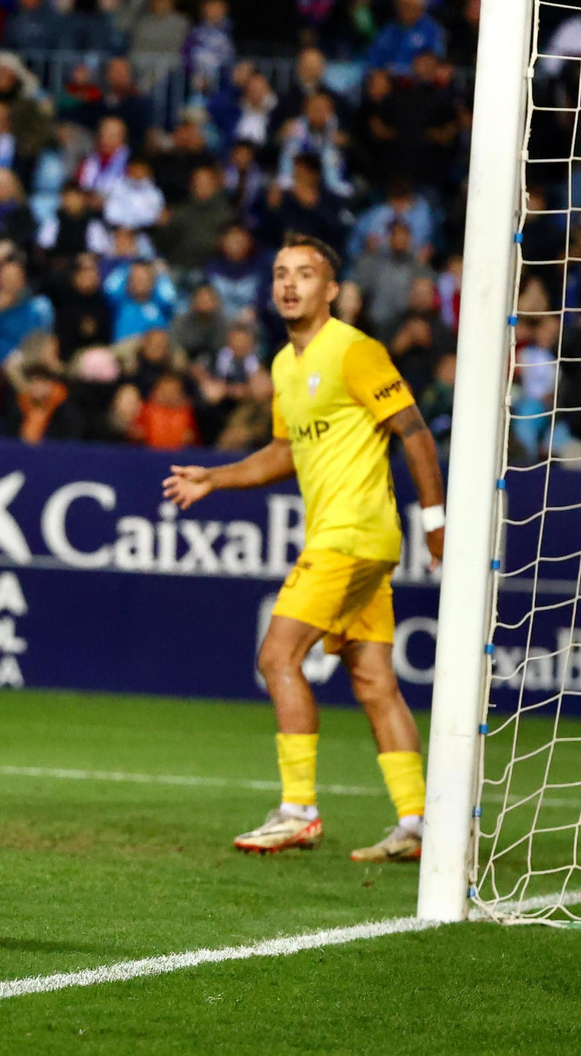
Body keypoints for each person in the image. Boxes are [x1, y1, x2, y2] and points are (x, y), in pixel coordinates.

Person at [162, 233, 446, 863]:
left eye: (306, 274)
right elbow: (283, 453)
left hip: (352, 533)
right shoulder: (285, 367)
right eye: (281, 274)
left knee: (276, 656)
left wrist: (437, 520)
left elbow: (415, 432)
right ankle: (418, 822)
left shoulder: (355, 350)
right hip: (355, 542)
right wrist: (215, 477)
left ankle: (298, 810)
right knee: (374, 682)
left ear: (331, 289)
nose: (290, 284)